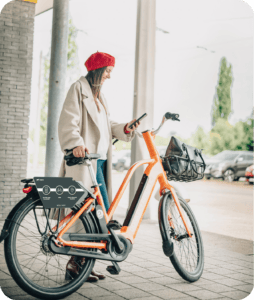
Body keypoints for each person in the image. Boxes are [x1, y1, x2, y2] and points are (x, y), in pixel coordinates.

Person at [57, 51, 140, 282]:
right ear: (98, 70)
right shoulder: (78, 89)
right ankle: (75, 263)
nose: (109, 76)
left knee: (100, 215)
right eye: (108, 71)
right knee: (86, 213)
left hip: (99, 162)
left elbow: (106, 125)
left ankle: (85, 262)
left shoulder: (100, 97)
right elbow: (68, 121)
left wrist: (124, 128)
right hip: (85, 163)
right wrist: (75, 143)